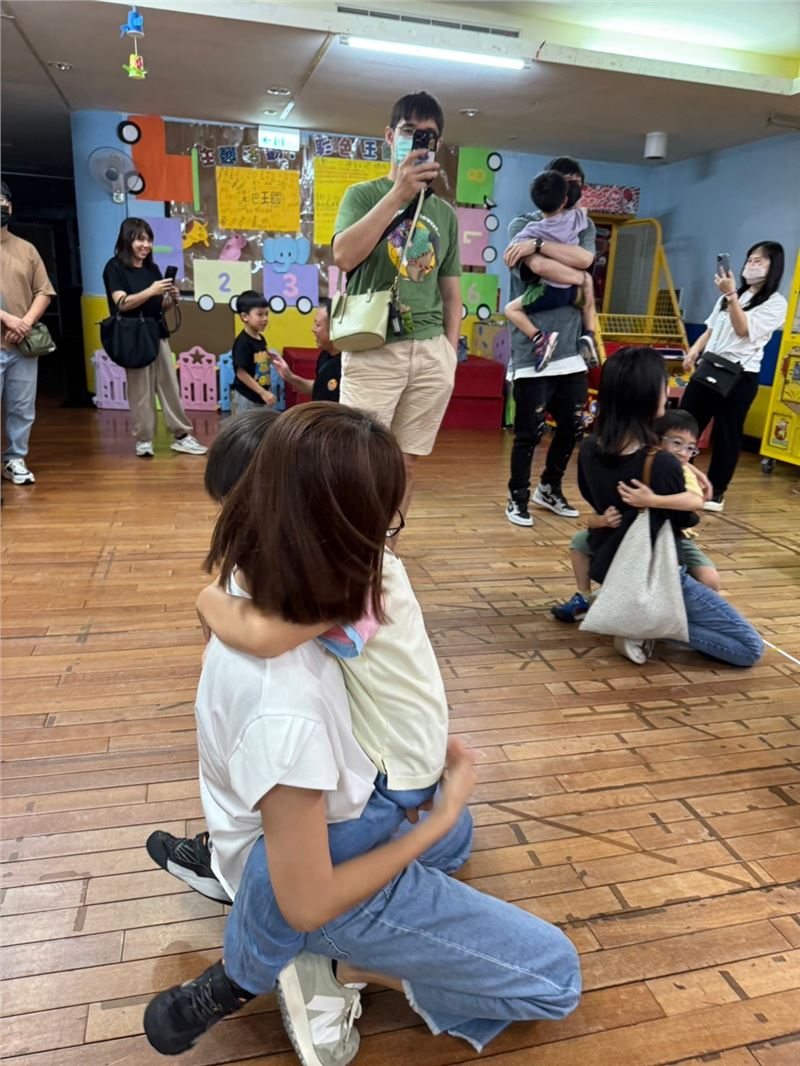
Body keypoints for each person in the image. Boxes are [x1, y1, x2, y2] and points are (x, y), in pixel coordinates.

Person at [143, 404, 580, 1063]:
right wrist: (437, 815)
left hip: (378, 778)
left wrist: (206, 599)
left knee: (456, 836)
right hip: (349, 815)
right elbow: (307, 897)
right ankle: (246, 978)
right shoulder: (305, 650)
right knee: (555, 978)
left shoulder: (280, 576)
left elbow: (253, 628)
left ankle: (249, 883)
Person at [571, 347, 762, 667]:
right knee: (748, 648)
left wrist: (689, 471)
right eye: (663, 383)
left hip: (613, 565)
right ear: (647, 394)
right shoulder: (659, 463)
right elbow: (687, 518)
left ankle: (638, 618)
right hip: (658, 572)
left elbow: (592, 496)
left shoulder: (590, 447)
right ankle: (646, 625)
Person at [332, 91, 461, 530]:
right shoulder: (362, 194)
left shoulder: (444, 214)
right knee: (358, 460)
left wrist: (449, 354)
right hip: (373, 346)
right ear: (390, 136)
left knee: (405, 464)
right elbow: (344, 256)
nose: (418, 140)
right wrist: (398, 194)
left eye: (429, 135)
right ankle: (351, 547)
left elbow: (451, 293)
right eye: (409, 131)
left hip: (430, 352)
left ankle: (388, 551)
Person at [552, 408, 719, 622]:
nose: (683, 453)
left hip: (672, 536)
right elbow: (593, 516)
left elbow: (696, 501)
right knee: (579, 542)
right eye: (677, 443)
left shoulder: (681, 470)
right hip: (628, 532)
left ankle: (690, 616)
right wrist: (601, 520)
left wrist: (653, 500)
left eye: (690, 448)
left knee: (710, 580)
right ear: (655, 439)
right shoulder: (640, 460)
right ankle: (584, 596)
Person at [503, 156, 596, 527]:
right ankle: (517, 495)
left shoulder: (582, 223)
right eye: (565, 181)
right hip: (533, 352)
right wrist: (576, 273)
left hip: (571, 350)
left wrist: (540, 245)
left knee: (573, 426)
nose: (571, 189)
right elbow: (536, 268)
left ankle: (549, 487)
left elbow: (585, 259)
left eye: (577, 183)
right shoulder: (521, 224)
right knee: (530, 431)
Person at [681, 242, 786, 512]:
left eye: (759, 260)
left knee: (726, 434)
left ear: (774, 267)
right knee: (685, 425)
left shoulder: (776, 303)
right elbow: (710, 329)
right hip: (709, 367)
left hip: (740, 376)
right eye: (750, 259)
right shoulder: (730, 296)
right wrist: (694, 351)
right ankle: (680, 479)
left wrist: (731, 296)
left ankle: (716, 492)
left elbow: (742, 330)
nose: (751, 264)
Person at [102, 218, 207, 458]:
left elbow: (159, 307)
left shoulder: (152, 269)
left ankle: (182, 436)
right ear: (127, 240)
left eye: (149, 240)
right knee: (140, 391)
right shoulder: (114, 267)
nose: (146, 245)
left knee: (170, 386)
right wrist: (151, 290)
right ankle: (144, 440)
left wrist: (171, 298)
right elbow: (122, 303)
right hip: (133, 337)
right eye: (140, 239)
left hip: (157, 332)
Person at [504, 170, 598, 373]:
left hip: (551, 291)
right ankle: (589, 334)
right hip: (573, 291)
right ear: (565, 200)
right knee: (588, 288)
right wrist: (581, 277)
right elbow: (583, 214)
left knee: (510, 310)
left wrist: (518, 251)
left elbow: (517, 253)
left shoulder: (534, 230)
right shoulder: (577, 220)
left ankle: (540, 338)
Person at [0, 179, 56, 485]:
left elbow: (44, 291)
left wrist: (24, 324)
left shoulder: (27, 249)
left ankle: (15, 459)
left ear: (9, 206)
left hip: (23, 346)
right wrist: (8, 319)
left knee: (22, 408)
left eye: (1, 201)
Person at [271, 297, 341, 402]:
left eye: (317, 324)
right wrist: (289, 376)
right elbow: (318, 389)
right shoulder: (324, 355)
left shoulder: (347, 364)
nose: (313, 329)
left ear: (334, 328)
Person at [230, 290, 277, 413]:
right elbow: (241, 373)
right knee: (245, 425)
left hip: (260, 396)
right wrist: (262, 392)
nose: (265, 319)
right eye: (260, 315)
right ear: (245, 317)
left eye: (267, 314)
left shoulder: (261, 338)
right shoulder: (242, 342)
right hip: (246, 397)